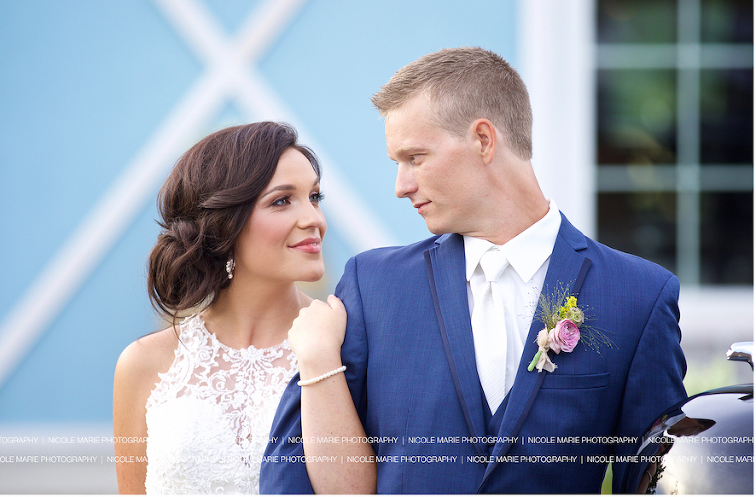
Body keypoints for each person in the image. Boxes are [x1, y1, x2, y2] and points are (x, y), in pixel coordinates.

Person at [260, 47, 687, 493]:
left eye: (415, 157)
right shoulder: (372, 286)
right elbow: (292, 474)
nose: (401, 186)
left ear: (483, 140)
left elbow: (656, 482)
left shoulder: (639, 296)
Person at [113, 122, 329, 494]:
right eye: (282, 200)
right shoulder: (144, 364)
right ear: (225, 222)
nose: (314, 219)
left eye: (314, 196)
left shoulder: (344, 345)